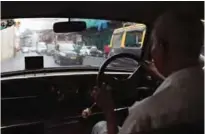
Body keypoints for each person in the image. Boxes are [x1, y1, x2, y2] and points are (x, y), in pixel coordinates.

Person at [83, 8, 204, 134]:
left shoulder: (145, 116)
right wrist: (160, 76)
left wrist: (109, 111)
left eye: (153, 44)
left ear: (162, 48)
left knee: (100, 126)